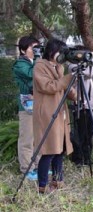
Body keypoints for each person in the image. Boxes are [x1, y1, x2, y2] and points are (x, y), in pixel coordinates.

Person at [33, 38, 77, 193]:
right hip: (47, 114)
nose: (62, 55)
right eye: (61, 51)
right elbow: (48, 86)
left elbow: (62, 87)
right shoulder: (40, 66)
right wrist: (67, 79)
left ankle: (58, 181)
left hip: (60, 113)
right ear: (52, 52)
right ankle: (43, 186)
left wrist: (73, 91)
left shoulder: (59, 67)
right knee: (49, 150)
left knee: (59, 149)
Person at [68, 46, 93, 166]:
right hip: (80, 104)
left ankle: (87, 158)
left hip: (91, 104)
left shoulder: (90, 64)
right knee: (80, 134)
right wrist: (91, 60)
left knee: (89, 133)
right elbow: (88, 74)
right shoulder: (73, 66)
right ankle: (78, 159)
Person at [12, 35, 40, 180]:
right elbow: (32, 75)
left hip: (40, 105)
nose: (35, 51)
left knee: (38, 138)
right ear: (23, 50)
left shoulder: (36, 62)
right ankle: (27, 169)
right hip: (27, 107)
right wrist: (38, 60)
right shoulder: (20, 64)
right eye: (32, 48)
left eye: (37, 48)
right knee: (27, 138)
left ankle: (38, 166)